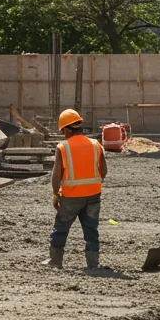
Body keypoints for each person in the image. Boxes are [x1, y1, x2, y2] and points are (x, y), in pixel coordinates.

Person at [46, 109, 107, 269]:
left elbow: (56, 175)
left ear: (66, 129)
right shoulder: (96, 145)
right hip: (93, 196)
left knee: (60, 229)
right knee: (91, 230)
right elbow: (104, 171)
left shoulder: (63, 147)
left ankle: (55, 261)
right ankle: (93, 264)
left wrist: (55, 194)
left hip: (71, 197)